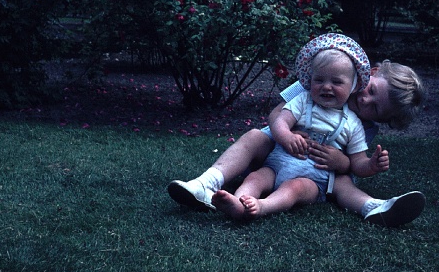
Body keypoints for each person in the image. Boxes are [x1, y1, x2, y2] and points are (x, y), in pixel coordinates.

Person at [167, 33, 426, 227]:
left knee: (335, 183)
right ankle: (206, 183)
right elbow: (276, 114)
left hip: (317, 173)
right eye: (371, 91)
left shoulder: (361, 126)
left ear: (383, 119)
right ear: (372, 72)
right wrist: (286, 136)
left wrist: (344, 161)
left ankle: (374, 207)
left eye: (377, 108)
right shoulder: (317, 83)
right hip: (277, 150)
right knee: (255, 136)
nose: (366, 101)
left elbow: (356, 161)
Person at [212, 48, 367, 220]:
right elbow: (280, 121)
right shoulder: (303, 100)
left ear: (353, 86)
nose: (326, 86)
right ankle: (239, 202)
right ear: (310, 80)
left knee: (293, 189)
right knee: (255, 177)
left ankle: (263, 206)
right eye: (319, 80)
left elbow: (358, 161)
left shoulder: (353, 123)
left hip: (312, 179)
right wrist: (287, 136)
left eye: (336, 82)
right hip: (276, 165)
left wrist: (372, 165)